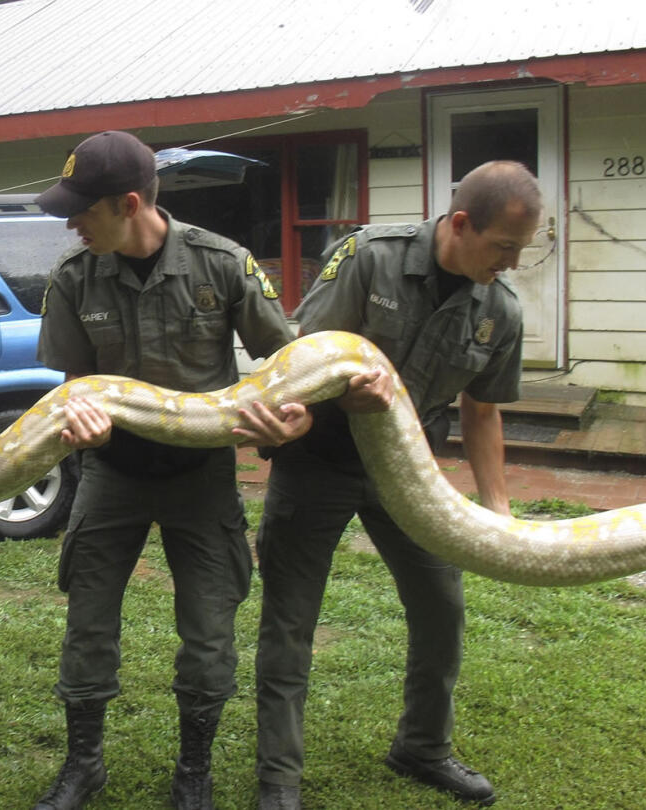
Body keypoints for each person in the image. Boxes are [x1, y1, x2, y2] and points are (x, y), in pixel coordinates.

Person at [243, 160, 542, 810]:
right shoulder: (369, 258)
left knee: (442, 606)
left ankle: (423, 747)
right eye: (504, 247)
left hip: (411, 470)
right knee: (291, 620)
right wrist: (342, 392)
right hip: (319, 457)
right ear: (461, 224)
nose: (513, 263)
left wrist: (498, 508)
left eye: (521, 250)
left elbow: (483, 410)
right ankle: (279, 783)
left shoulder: (500, 309)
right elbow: (307, 354)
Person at [32, 130, 311, 810]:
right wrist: (79, 422)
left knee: (209, 633)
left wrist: (295, 418)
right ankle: (84, 764)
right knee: (88, 625)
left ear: (130, 203)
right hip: (112, 473)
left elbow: (291, 367)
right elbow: (76, 384)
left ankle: (194, 772)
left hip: (200, 478)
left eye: (82, 209)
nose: (70, 223)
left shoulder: (223, 264)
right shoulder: (74, 277)